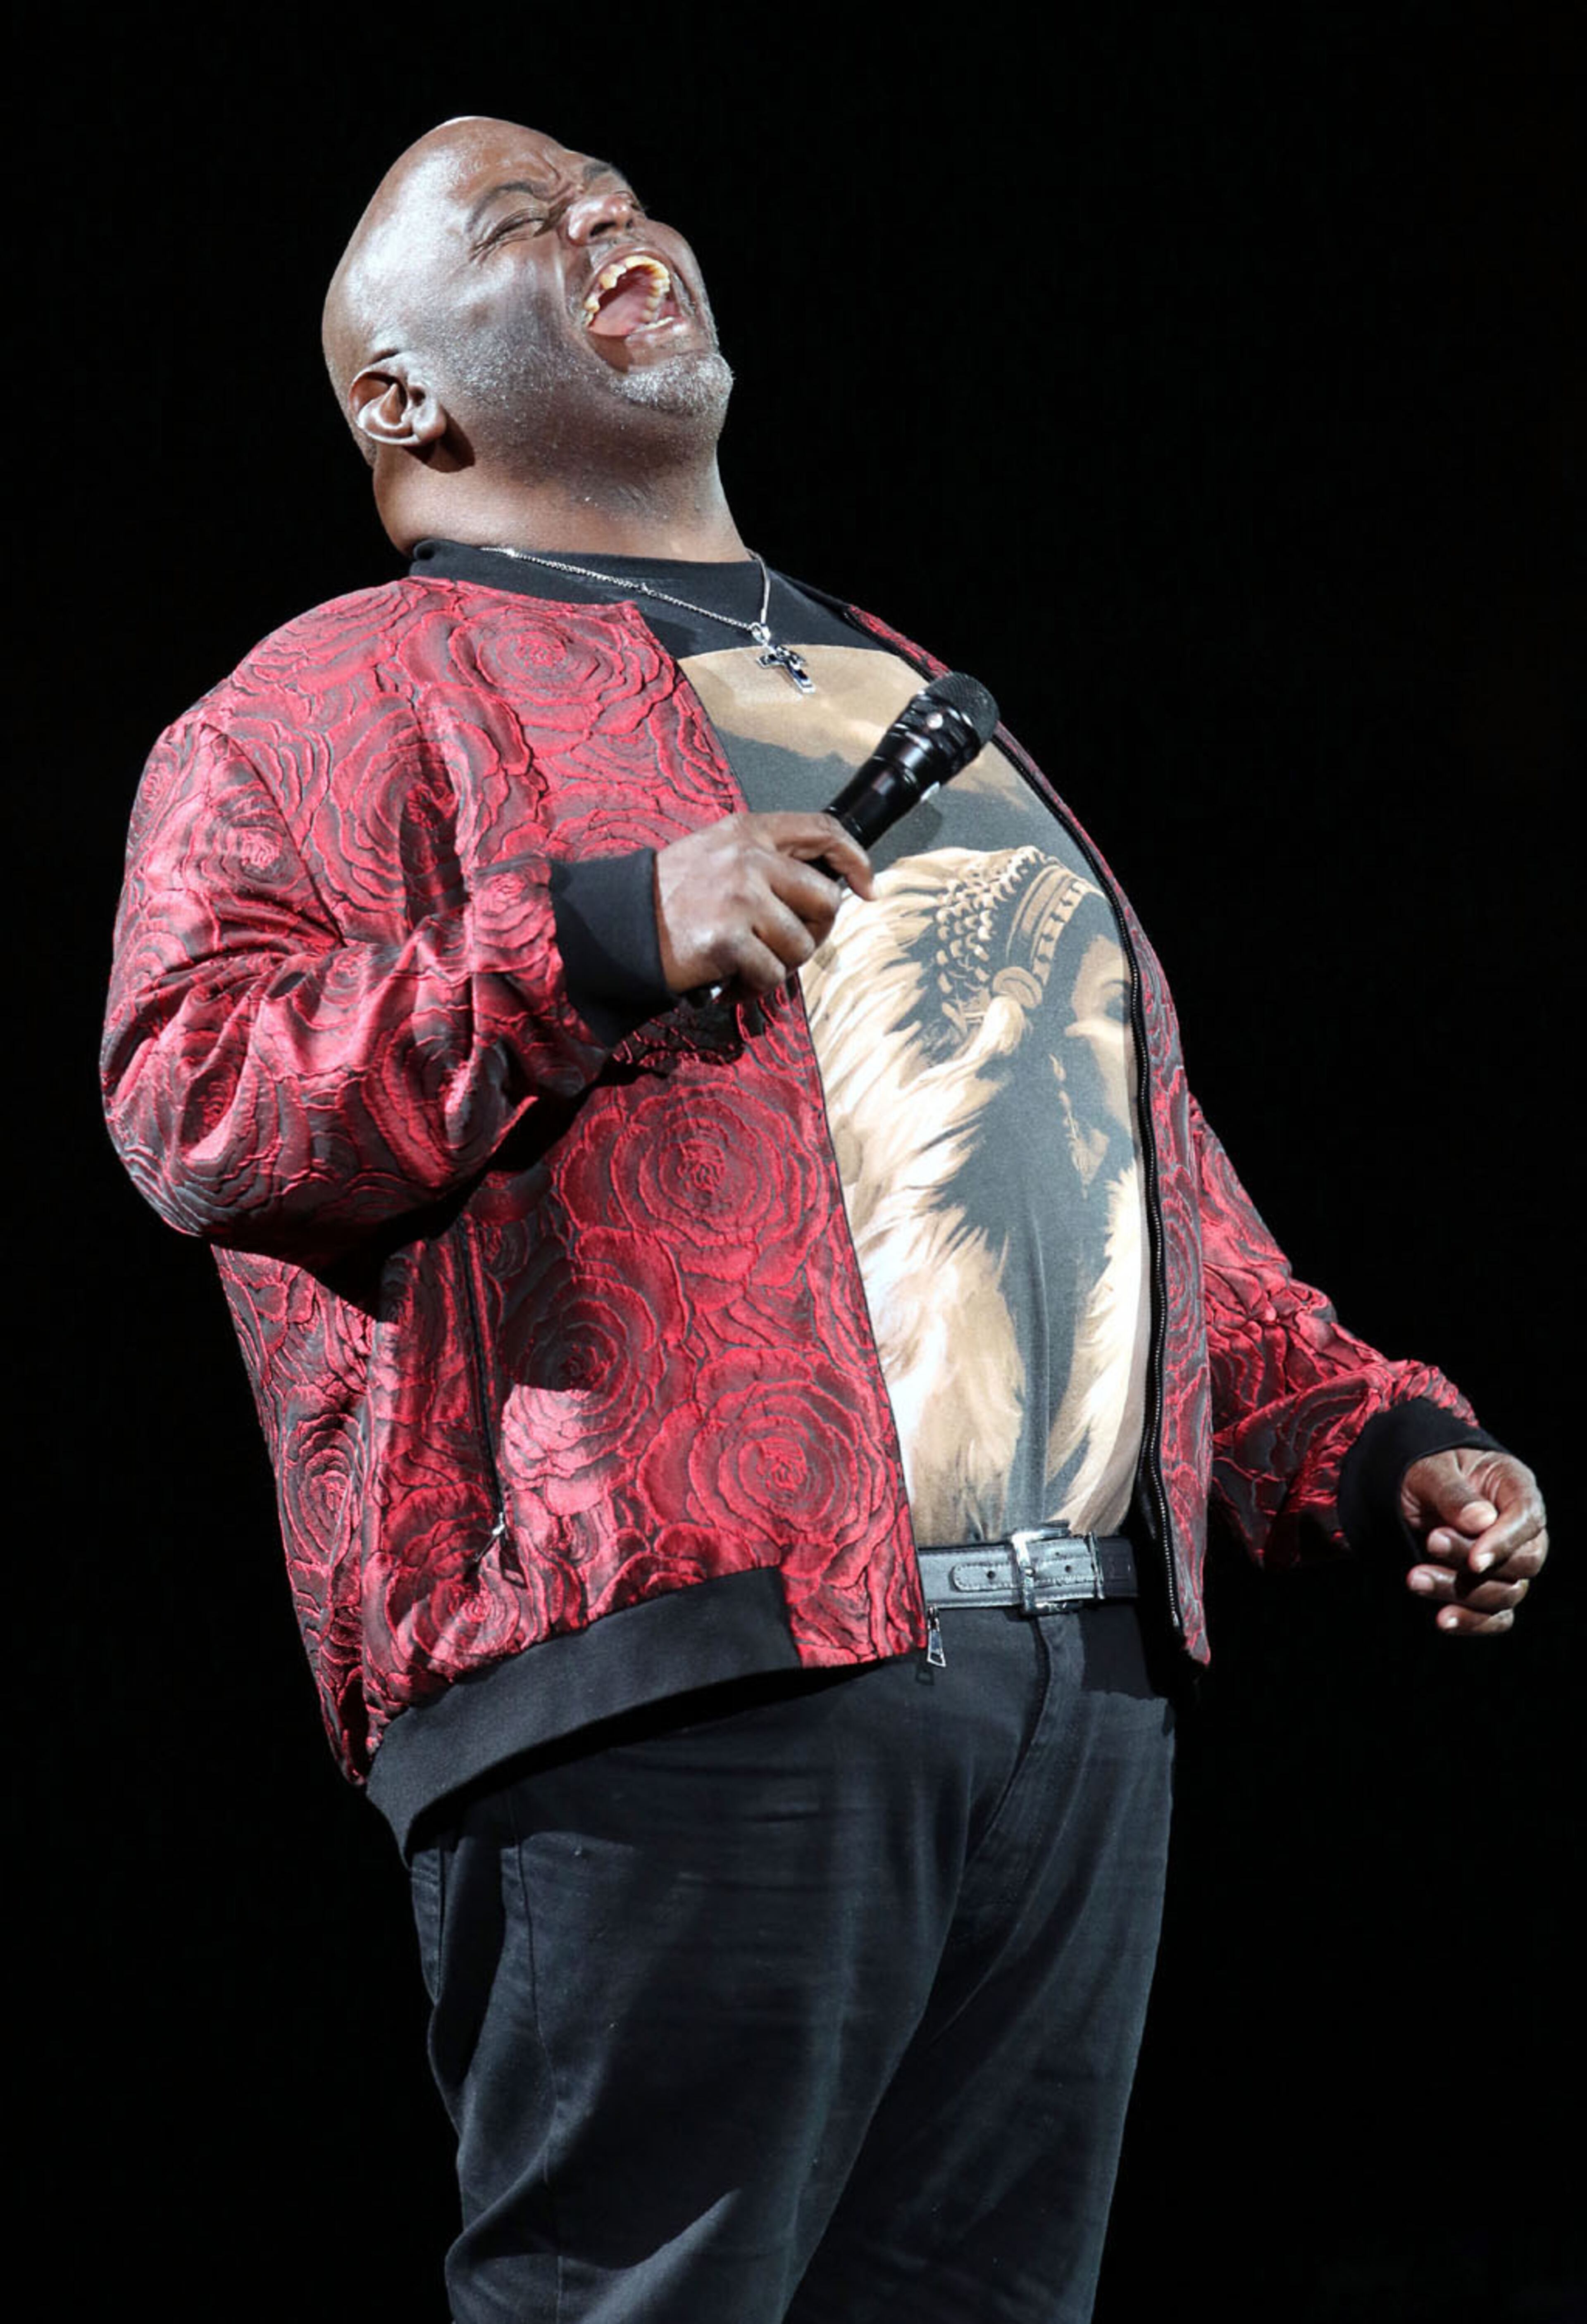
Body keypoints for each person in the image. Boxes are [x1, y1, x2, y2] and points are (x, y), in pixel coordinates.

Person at [101, 117, 1549, 2324]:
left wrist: (1365, 1441)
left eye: (620, 196)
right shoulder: (327, 699)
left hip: (1073, 1676)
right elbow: (197, 1096)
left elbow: (1150, 1191)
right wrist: (585, 933)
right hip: (666, 1671)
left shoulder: (915, 683)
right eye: (521, 226)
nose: (613, 222)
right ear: (402, 400)